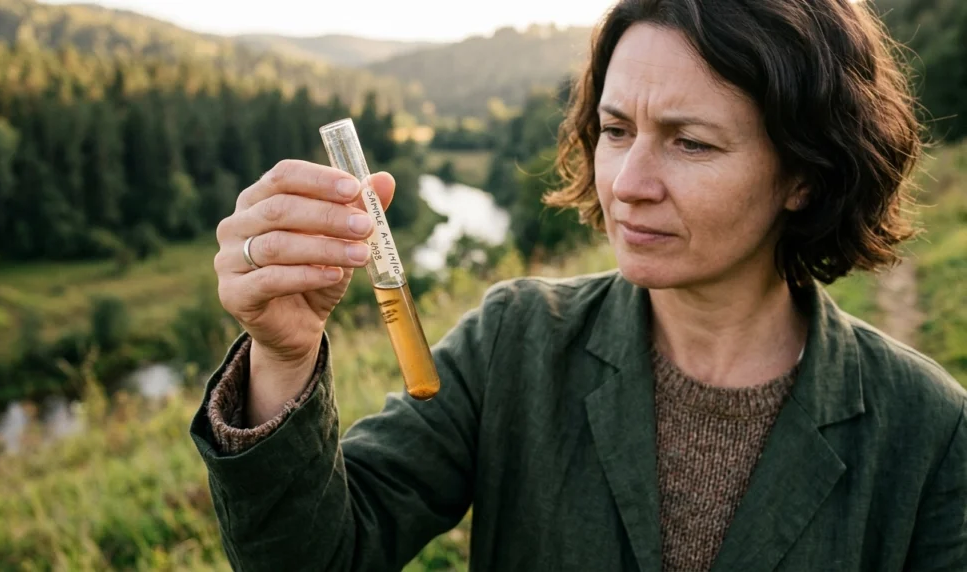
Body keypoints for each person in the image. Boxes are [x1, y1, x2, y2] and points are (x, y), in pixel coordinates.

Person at [189, 0, 967, 570]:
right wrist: (283, 357)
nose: (628, 183)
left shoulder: (930, 435)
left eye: (691, 143)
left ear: (804, 174)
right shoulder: (514, 342)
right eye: (616, 130)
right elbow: (318, 558)